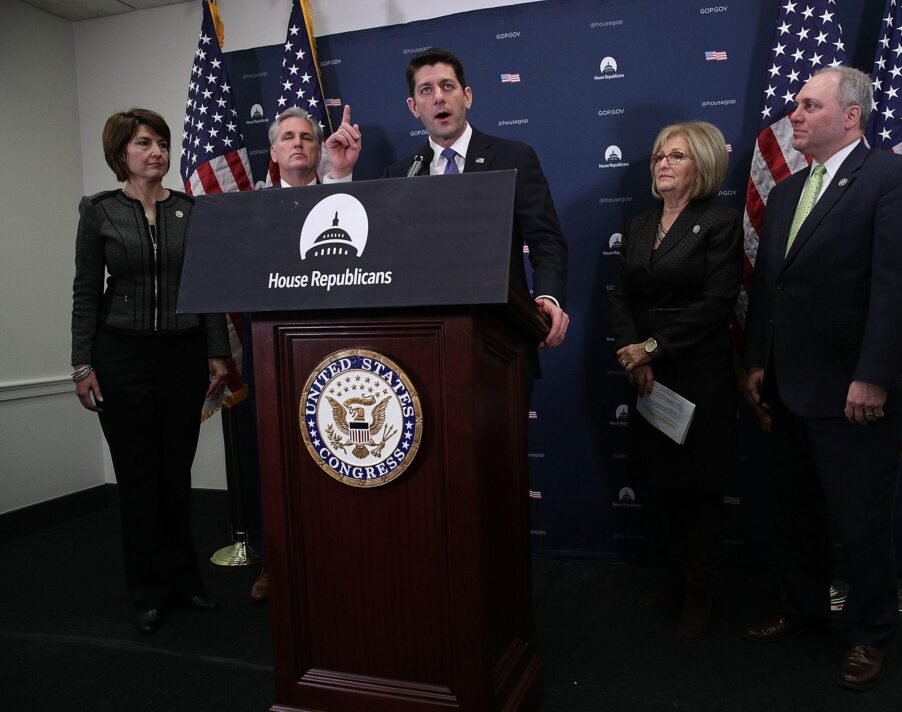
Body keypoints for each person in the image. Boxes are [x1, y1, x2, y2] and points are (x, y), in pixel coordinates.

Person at [741, 66, 902, 689]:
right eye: (796, 105)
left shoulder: (895, 178)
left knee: (861, 522)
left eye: (809, 106)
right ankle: (803, 608)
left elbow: (900, 285)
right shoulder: (784, 194)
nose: (795, 115)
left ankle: (868, 633)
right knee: (795, 513)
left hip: (854, 390)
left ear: (851, 116)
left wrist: (874, 375)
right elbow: (770, 289)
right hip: (787, 387)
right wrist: (757, 361)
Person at [71, 108, 230, 635]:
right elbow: (86, 291)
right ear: (121, 153)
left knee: (175, 474)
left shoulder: (190, 210)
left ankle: (185, 581)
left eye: (162, 142)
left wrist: (217, 352)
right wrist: (81, 363)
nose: (157, 151)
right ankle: (147, 591)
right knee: (137, 477)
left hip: (183, 356)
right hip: (120, 357)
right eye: (144, 143)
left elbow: (208, 287)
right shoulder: (99, 211)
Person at [326, 47, 569, 355]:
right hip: (421, 343)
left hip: (501, 339)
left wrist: (548, 295)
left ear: (467, 96)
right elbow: (372, 255)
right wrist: (341, 173)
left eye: (447, 86)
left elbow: (546, 240)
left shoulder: (513, 157)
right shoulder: (401, 174)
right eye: (426, 90)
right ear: (414, 107)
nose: (438, 97)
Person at [608, 121, 743, 641]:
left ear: (702, 164)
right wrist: (636, 356)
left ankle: (701, 592)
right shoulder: (639, 224)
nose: (662, 163)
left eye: (676, 156)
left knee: (698, 490)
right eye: (659, 155)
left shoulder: (720, 222)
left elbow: (717, 302)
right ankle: (676, 580)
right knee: (662, 484)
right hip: (645, 375)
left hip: (698, 371)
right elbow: (621, 295)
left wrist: (654, 347)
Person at [241, 106, 361, 604]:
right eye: (287, 137)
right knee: (275, 460)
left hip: (333, 348)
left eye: (306, 137)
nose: (297, 144)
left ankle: (342, 559)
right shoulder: (253, 212)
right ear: (272, 152)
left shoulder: (345, 200)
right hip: (271, 352)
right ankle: (277, 564)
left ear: (318, 149)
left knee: (338, 453)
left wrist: (343, 176)